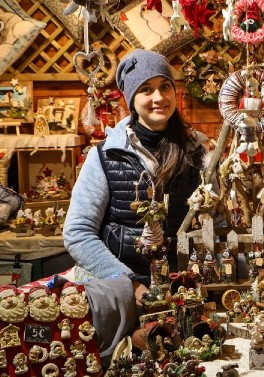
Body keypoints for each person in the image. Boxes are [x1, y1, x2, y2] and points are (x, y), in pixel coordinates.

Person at [63, 49, 208, 356]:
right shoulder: (104, 155)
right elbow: (78, 232)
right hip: (120, 294)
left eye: (164, 86)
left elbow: (211, 220)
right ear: (131, 98)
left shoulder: (198, 150)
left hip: (181, 291)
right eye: (146, 89)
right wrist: (128, 285)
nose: (158, 98)